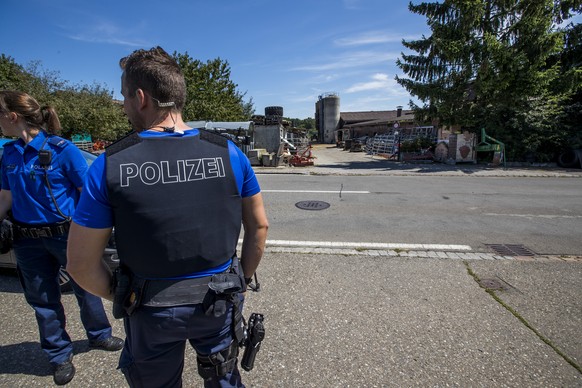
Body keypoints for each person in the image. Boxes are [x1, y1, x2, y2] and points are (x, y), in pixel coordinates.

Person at [66, 46, 269, 388]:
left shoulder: (110, 164)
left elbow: (80, 264)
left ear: (141, 98)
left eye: (125, 97)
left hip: (150, 307)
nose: (125, 106)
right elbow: (259, 227)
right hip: (218, 300)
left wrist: (125, 293)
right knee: (223, 378)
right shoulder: (229, 152)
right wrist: (240, 284)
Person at [0, 91, 124, 386]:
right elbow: (5, 196)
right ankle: (58, 355)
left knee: (87, 288)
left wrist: (96, 234)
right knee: (43, 301)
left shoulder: (62, 149)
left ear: (13, 116)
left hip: (65, 235)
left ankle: (99, 335)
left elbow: (87, 194)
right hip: (27, 240)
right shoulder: (10, 154)